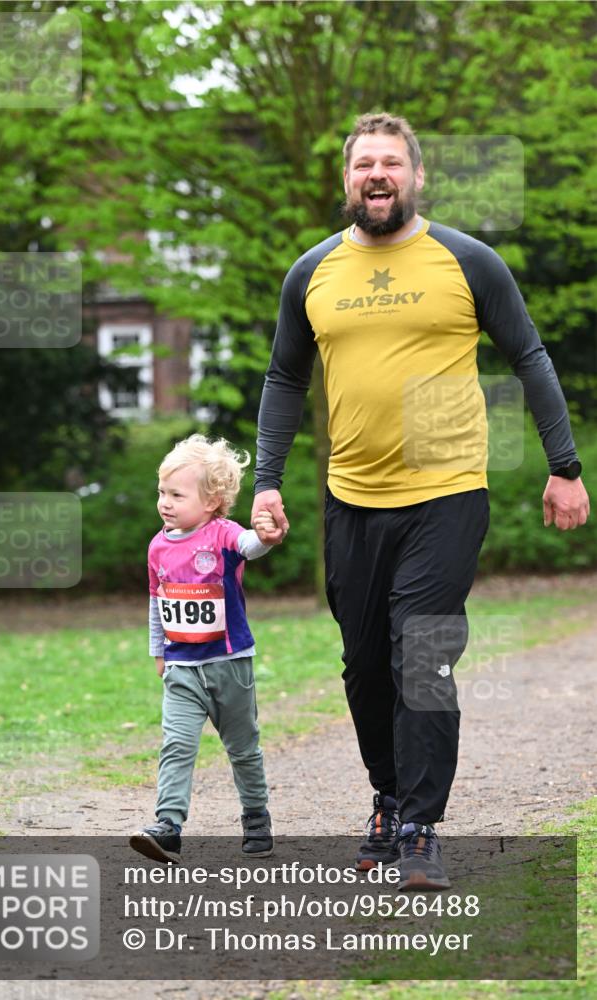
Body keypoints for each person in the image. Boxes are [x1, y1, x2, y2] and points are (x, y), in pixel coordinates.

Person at [252, 112, 590, 890]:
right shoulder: (311, 273)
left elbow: (528, 356)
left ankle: (418, 827)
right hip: (351, 498)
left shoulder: (467, 261)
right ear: (346, 179)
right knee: (365, 665)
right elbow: (283, 378)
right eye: (362, 163)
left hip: (446, 494)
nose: (376, 174)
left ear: (416, 176)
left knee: (423, 654)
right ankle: (387, 797)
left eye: (391, 162)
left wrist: (563, 465)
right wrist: (266, 480)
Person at [130, 434, 276, 864]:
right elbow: (156, 602)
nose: (165, 502)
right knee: (176, 745)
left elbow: (251, 546)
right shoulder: (158, 546)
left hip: (229, 664)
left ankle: (256, 816)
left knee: (243, 748)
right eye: (162, 492)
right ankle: (168, 827)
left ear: (212, 501)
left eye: (177, 495)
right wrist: (158, 652)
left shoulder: (222, 533)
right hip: (181, 666)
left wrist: (266, 535)